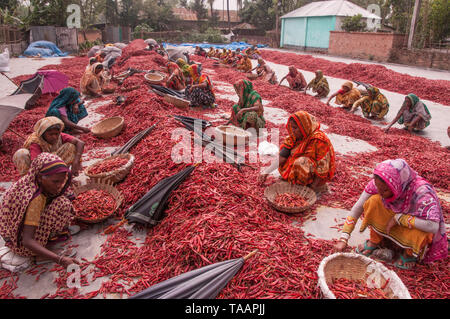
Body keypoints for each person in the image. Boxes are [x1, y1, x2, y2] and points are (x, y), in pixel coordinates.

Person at [335, 159, 447, 269]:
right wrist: (343, 238)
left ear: (397, 185)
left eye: (384, 190)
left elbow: (432, 226)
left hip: (412, 227)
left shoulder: (422, 192)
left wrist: (400, 218)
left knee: (424, 230)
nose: (380, 192)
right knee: (373, 201)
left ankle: (408, 253)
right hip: (392, 223)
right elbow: (357, 208)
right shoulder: (379, 183)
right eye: (378, 187)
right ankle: (375, 241)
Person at [0, 153, 81, 268]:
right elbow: (27, 241)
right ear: (40, 177)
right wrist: (60, 259)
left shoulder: (30, 180)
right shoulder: (35, 199)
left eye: (61, 181)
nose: (59, 185)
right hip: (21, 244)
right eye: (55, 182)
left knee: (61, 200)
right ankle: (38, 254)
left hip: (11, 233)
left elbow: (63, 189)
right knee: (62, 205)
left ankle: (44, 242)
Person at [260, 111, 335, 191]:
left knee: (301, 162)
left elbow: (323, 168)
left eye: (295, 128)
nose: (292, 130)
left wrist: (313, 187)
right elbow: (282, 156)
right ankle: (294, 180)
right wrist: (266, 171)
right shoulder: (294, 137)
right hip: (300, 169)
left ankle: (306, 186)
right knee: (293, 160)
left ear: (304, 127)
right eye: (291, 127)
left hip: (315, 176)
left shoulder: (319, 140)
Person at [13, 117, 85, 177]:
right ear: (43, 133)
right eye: (51, 134)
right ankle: (33, 180)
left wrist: (75, 162)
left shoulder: (60, 135)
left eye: (56, 134)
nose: (54, 137)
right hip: (38, 167)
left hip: (53, 162)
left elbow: (80, 143)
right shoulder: (35, 141)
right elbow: (36, 163)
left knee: (71, 146)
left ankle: (62, 173)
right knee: (21, 153)